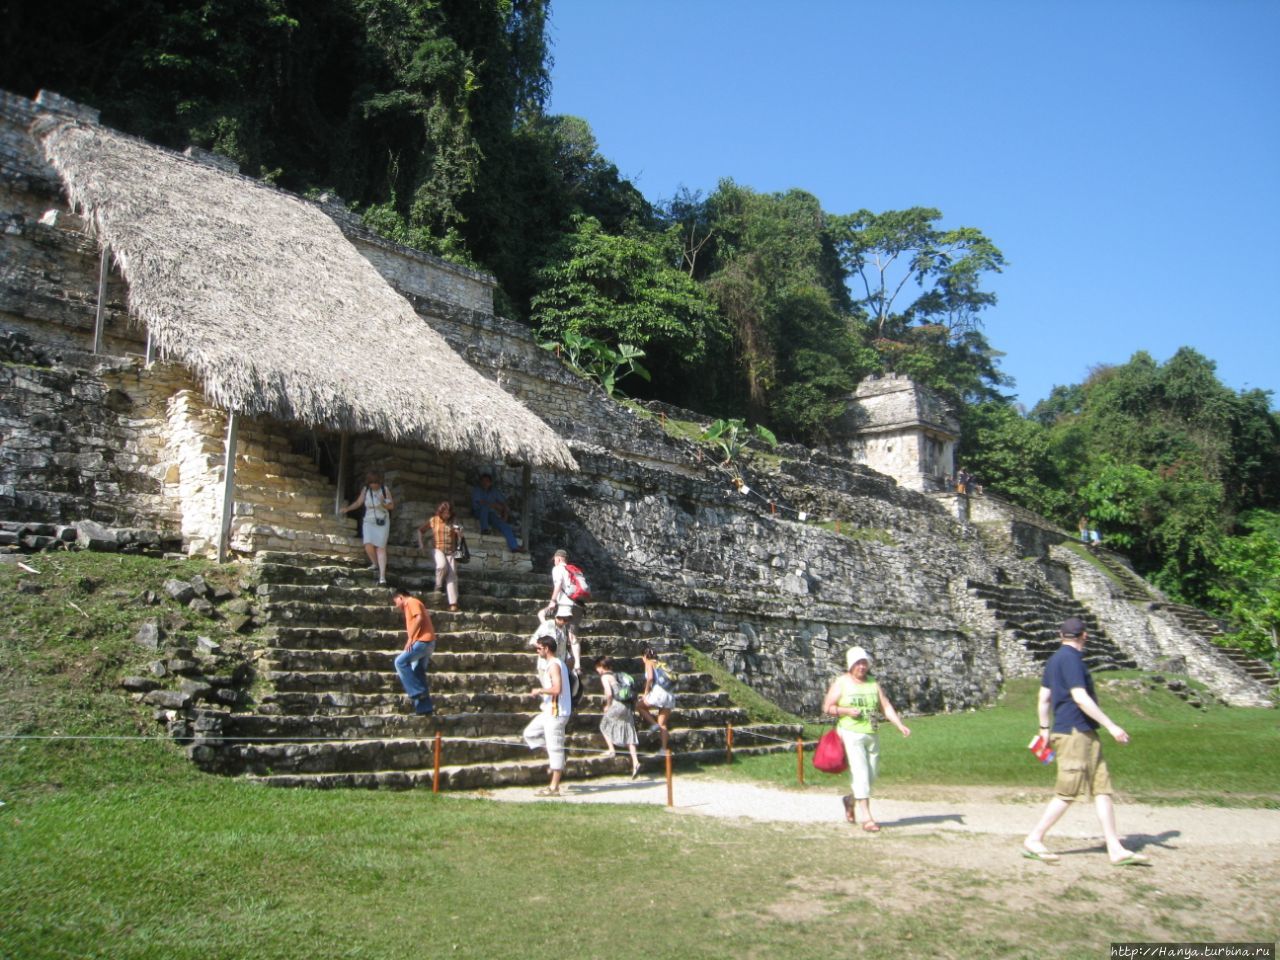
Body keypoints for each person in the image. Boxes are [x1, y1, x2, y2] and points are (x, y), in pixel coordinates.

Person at [1023, 618, 1150, 866]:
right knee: (1068, 791)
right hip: (1074, 733)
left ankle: (1115, 847)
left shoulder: (1055, 659)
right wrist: (1111, 725)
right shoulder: (1071, 660)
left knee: (1102, 790)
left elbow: (1044, 698)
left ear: (1062, 635)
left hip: (1081, 732)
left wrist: (1044, 728)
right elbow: (1080, 697)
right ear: (1085, 635)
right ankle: (1034, 838)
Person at [820, 645, 911, 833]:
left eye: (864, 663)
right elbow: (827, 707)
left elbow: (885, 706)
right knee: (860, 774)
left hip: (871, 732)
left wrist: (899, 724)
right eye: (858, 663)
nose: (862, 667)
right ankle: (867, 818)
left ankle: (850, 800)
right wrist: (845, 711)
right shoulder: (842, 683)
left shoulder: (873, 683)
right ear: (851, 665)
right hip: (850, 732)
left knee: (871, 775)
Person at [523, 633, 572, 797]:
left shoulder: (554, 665)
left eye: (539, 648)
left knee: (555, 749)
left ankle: (554, 787)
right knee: (529, 733)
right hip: (549, 710)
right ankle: (555, 758)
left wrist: (540, 690)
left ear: (547, 649)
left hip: (557, 712)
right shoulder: (554, 663)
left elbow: (557, 689)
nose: (537, 651)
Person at [340, 471, 395, 585]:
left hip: (382, 521)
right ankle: (375, 563)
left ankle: (382, 576)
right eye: (372, 483)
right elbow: (359, 502)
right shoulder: (366, 490)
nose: (374, 485)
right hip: (369, 521)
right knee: (368, 544)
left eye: (376, 483)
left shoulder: (385, 490)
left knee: (381, 547)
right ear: (369, 483)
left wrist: (382, 503)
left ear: (379, 482)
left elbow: (391, 506)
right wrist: (348, 509)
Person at [391, 588, 436, 715]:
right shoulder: (410, 605)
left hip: (422, 642)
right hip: (427, 642)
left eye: (396, 602)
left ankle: (416, 692)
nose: (396, 606)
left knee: (399, 662)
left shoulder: (411, 602)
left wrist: (410, 638)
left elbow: (419, 618)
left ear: (400, 597)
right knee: (418, 672)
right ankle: (424, 709)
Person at [595, 656, 641, 779]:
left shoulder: (605, 677)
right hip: (628, 706)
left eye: (598, 668)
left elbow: (609, 694)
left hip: (617, 704)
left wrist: (607, 706)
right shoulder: (617, 676)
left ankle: (611, 750)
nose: (597, 670)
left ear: (601, 667)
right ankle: (635, 762)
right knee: (629, 731)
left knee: (604, 725)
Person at [530, 602, 581, 703]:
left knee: (558, 690)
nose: (565, 621)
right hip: (546, 665)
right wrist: (544, 648)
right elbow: (533, 641)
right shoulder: (547, 624)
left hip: (559, 664)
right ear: (558, 617)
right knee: (551, 690)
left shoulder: (565, 629)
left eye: (567, 619)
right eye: (564, 619)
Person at [547, 549, 585, 684]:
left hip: (565, 605)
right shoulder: (574, 570)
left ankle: (558, 660)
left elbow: (558, 585)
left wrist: (553, 601)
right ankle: (578, 665)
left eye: (555, 560)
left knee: (558, 630)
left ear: (558, 559)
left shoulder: (557, 569)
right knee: (573, 636)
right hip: (578, 604)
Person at [417, 501, 462, 612]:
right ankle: (438, 585)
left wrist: (459, 532)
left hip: (452, 551)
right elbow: (420, 530)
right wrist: (421, 544)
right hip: (437, 549)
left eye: (449, 513)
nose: (447, 515)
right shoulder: (434, 520)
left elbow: (460, 533)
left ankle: (453, 603)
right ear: (440, 512)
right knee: (441, 566)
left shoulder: (454, 521)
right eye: (445, 513)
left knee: (452, 575)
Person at [635, 647, 675, 754]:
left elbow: (650, 678)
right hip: (670, 695)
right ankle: (663, 749)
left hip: (659, 692)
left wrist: (646, 693)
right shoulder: (661, 663)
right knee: (663, 724)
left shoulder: (649, 663)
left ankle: (653, 724)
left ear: (644, 656)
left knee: (639, 706)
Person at [470, 472, 523, 552]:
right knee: (485, 507)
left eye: (487, 481)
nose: (485, 483)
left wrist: (505, 515)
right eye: (483, 481)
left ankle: (514, 547)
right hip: (478, 512)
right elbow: (481, 502)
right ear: (481, 482)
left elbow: (504, 503)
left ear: (490, 483)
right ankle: (485, 529)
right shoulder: (477, 490)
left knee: (505, 525)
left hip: (490, 515)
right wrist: (494, 505)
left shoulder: (494, 491)